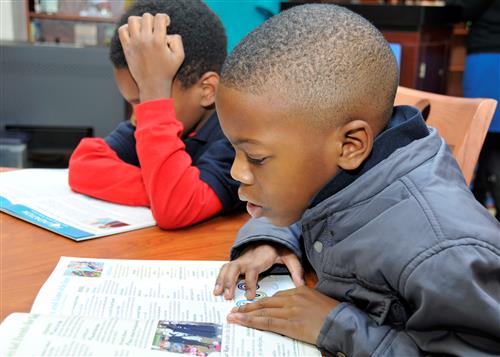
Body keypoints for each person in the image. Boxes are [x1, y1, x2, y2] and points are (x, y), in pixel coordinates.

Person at [212, 4, 500, 356]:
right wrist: (271, 240)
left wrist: (338, 326)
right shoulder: (337, 172)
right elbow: (318, 212)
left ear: (350, 145)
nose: (237, 172)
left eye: (256, 158)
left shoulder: (445, 252)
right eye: (235, 152)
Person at [68, 0, 241, 229]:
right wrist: (158, 188)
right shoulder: (150, 123)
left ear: (207, 90)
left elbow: (175, 208)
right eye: (135, 103)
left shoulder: (239, 139)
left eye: (148, 101)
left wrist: (154, 100)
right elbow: (84, 164)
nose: (139, 117)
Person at [446, 0, 500, 220]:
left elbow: (461, 10)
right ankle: (478, 210)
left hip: (489, 58)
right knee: (490, 142)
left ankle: (478, 215)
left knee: (487, 140)